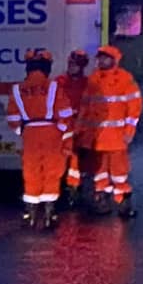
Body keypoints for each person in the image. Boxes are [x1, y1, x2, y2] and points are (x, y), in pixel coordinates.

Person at [7, 48, 71, 231]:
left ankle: (30, 215)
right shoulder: (54, 86)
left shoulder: (17, 89)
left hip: (30, 133)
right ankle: (50, 215)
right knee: (51, 171)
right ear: (46, 67)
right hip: (51, 131)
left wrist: (23, 131)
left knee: (31, 171)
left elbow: (12, 117)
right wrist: (60, 130)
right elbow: (65, 113)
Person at [79, 43, 143, 218]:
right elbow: (85, 108)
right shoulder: (93, 79)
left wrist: (129, 131)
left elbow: (134, 107)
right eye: (100, 57)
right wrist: (82, 133)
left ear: (114, 60)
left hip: (116, 138)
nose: (101, 60)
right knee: (100, 173)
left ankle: (123, 203)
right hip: (98, 138)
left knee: (119, 173)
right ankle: (102, 201)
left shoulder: (124, 79)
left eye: (105, 57)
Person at [57, 48, 92, 207]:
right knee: (62, 160)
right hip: (63, 127)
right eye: (71, 64)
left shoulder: (87, 84)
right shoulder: (60, 82)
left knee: (76, 162)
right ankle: (66, 190)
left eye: (75, 65)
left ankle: (74, 190)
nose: (72, 67)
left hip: (80, 127)